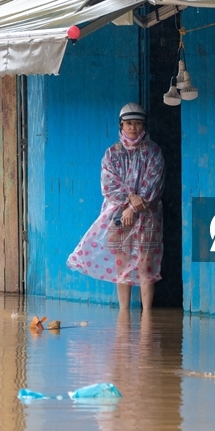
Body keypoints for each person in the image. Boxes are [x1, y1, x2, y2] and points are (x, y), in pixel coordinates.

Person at [67, 103, 165, 310]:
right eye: (129, 123)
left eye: (137, 124)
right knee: (122, 262)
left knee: (145, 264)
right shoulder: (112, 153)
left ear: (144, 126)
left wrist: (133, 208)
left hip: (147, 216)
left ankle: (147, 315)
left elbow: (153, 185)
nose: (133, 128)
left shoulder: (154, 152)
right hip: (118, 216)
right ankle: (124, 313)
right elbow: (109, 185)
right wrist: (129, 200)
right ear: (121, 125)